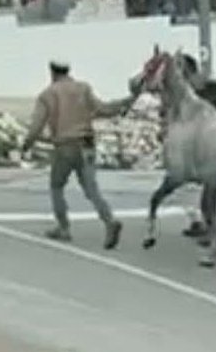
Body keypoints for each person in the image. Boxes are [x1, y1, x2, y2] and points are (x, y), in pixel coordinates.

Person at [20, 59, 139, 247]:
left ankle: (63, 227)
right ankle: (109, 220)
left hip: (65, 146)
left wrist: (26, 145)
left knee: (57, 186)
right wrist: (128, 101)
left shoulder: (48, 94)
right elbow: (104, 109)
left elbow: (37, 125)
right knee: (92, 189)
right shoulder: (84, 89)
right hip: (87, 145)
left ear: (52, 72)